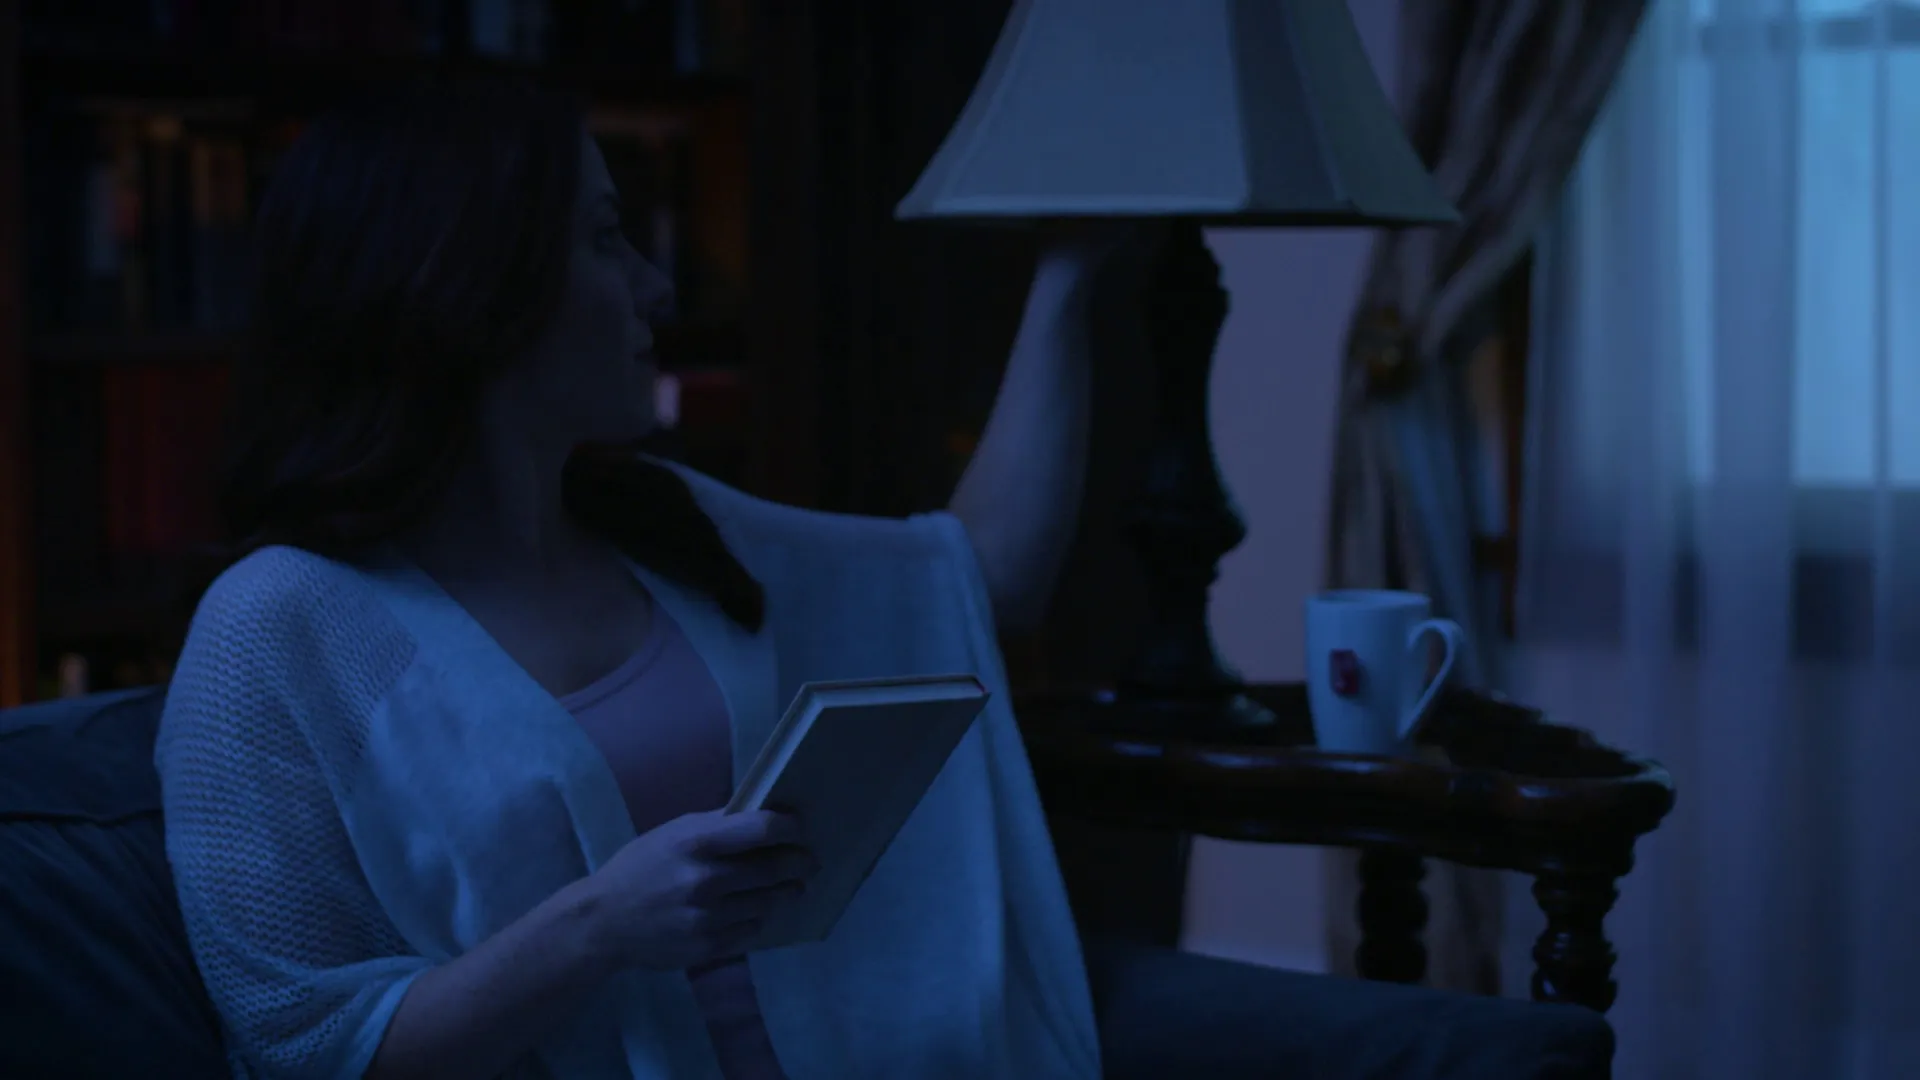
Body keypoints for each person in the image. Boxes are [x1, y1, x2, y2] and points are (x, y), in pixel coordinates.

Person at [156, 82, 1113, 1080]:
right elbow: (306, 1045)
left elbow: (981, 579)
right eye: (607, 240)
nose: (656, 289)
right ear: (468, 282)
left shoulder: (668, 526)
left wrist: (1068, 273)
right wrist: (598, 925)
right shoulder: (280, 624)